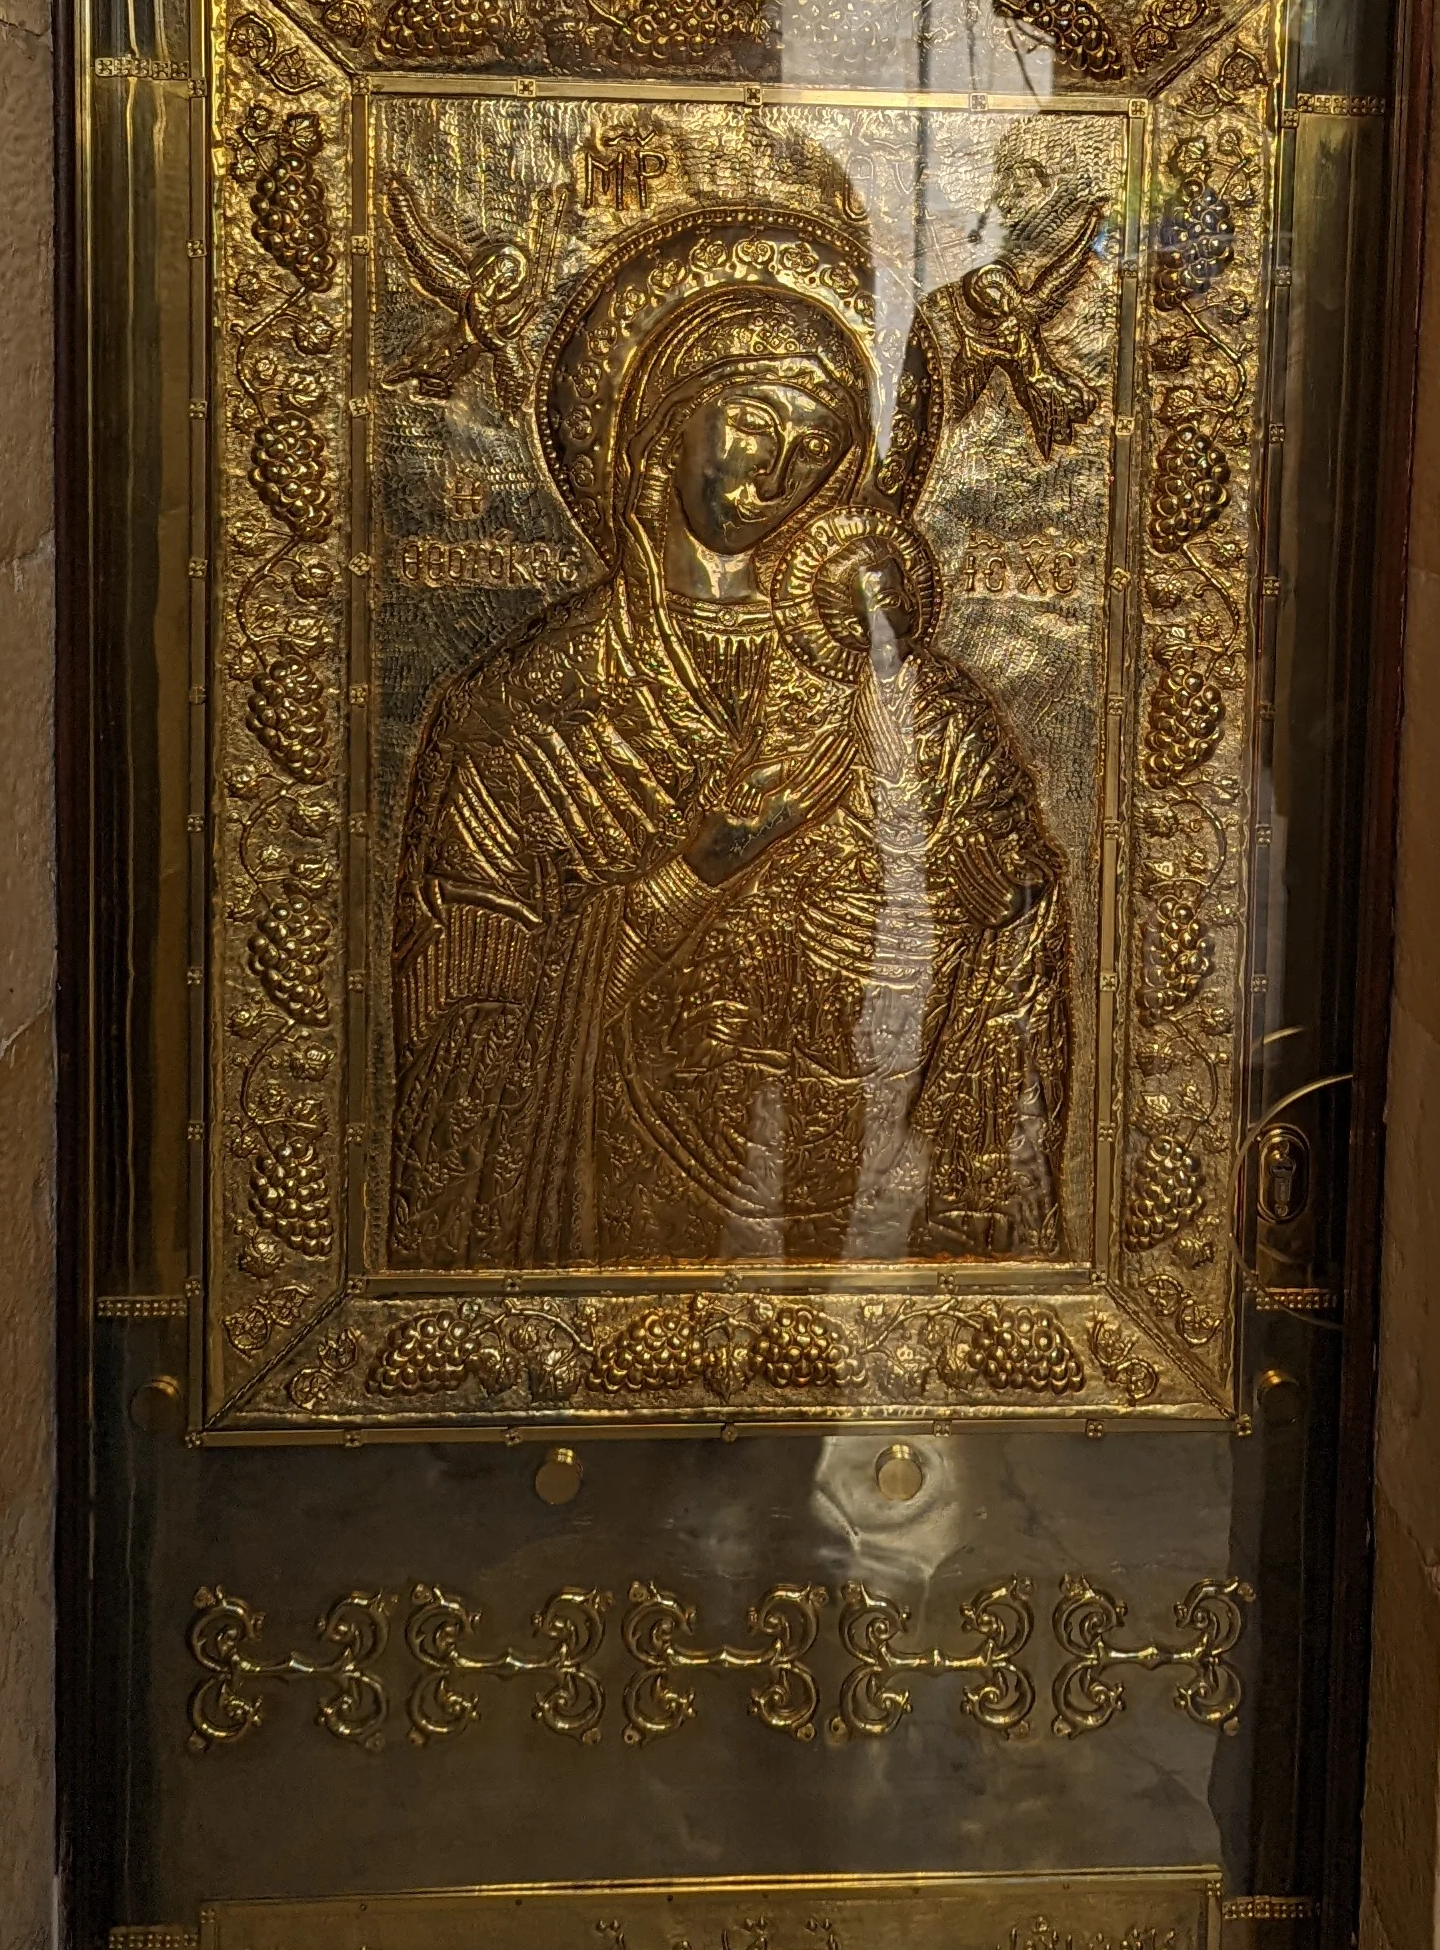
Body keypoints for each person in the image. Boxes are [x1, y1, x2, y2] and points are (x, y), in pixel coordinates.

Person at [388, 189, 1070, 1276]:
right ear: (666, 424)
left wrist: (982, 889)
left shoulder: (914, 702)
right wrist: (686, 877)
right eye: (753, 424)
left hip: (865, 1194)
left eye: (817, 450)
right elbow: (462, 1024)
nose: (778, 472)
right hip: (600, 1182)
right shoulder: (524, 711)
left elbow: (1012, 950)